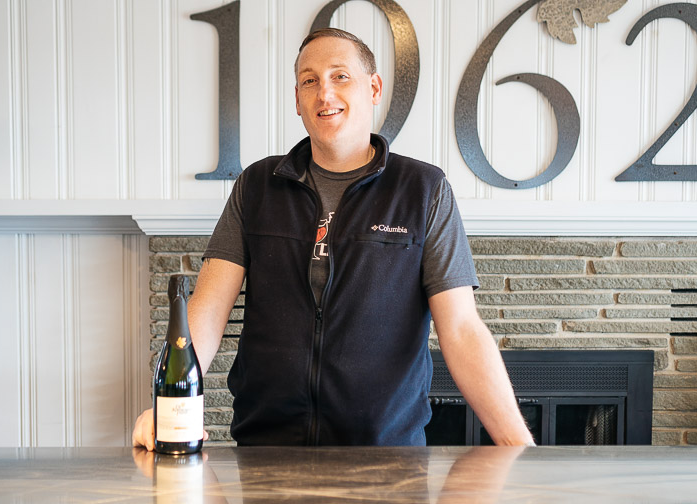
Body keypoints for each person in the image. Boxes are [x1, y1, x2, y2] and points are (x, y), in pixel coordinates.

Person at [133, 28, 533, 448]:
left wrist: (518, 449)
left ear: (374, 88)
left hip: (386, 460)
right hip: (266, 453)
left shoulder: (423, 190)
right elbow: (208, 310)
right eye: (310, 80)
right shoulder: (256, 185)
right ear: (297, 100)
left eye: (340, 76)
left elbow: (462, 328)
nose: (324, 93)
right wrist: (167, 407)